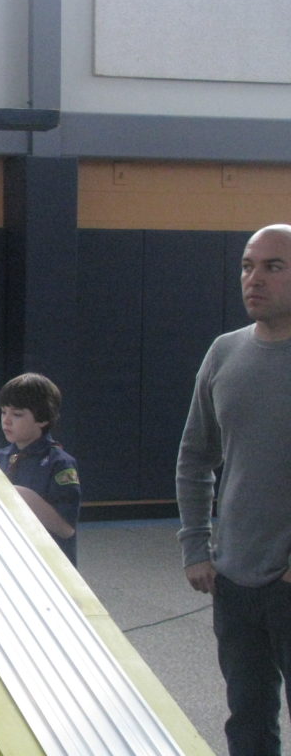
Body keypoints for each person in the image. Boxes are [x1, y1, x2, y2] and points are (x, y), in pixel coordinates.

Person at [176, 223, 291, 756]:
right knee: (247, 719)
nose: (254, 279)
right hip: (236, 579)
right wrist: (197, 546)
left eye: (273, 266)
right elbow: (195, 456)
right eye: (248, 266)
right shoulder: (224, 353)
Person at [0, 373, 80, 565]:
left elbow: (66, 528)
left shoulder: (59, 464)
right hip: (8, 560)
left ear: (42, 418)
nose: (6, 420)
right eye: (3, 412)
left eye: (17, 414)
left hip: (48, 564)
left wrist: (21, 497)